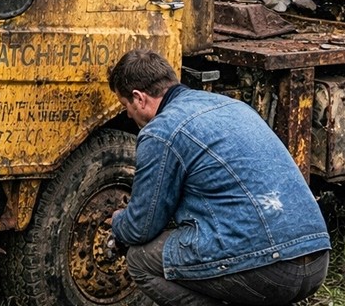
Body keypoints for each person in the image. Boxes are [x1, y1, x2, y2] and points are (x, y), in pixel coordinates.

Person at [108, 49, 330, 306]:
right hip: (316, 257)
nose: (128, 114)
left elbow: (140, 227)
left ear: (139, 98)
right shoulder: (232, 106)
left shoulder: (161, 131)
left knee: (141, 259)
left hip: (272, 270)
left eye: (126, 106)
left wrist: (118, 222)